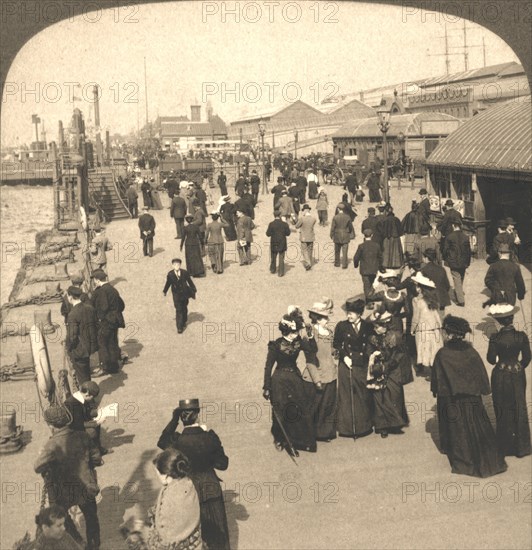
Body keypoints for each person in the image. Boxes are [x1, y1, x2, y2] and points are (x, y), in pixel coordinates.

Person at [431, 315, 508, 478]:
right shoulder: (471, 351)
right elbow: (481, 375)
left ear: (450, 334)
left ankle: (464, 461)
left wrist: (437, 393)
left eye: (445, 332)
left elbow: (439, 381)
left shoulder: (443, 353)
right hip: (473, 400)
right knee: (479, 429)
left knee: (459, 432)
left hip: (453, 401)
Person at [157, 399, 230, 550]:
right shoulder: (210, 437)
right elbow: (223, 464)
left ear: (181, 418)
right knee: (218, 535)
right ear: (197, 415)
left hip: (189, 492)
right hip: (211, 489)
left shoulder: (177, 440)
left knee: (195, 537)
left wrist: (173, 419)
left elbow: (162, 442)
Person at [35, 406, 101, 550]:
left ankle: (78, 542)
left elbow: (37, 467)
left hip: (63, 492)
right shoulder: (83, 436)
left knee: (63, 518)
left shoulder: (51, 445)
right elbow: (96, 458)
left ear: (50, 425)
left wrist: (43, 454)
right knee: (91, 518)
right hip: (86, 487)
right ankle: (94, 545)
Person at [263, 311, 319, 453]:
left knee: (299, 408)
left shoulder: (299, 342)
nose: (296, 334)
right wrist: (266, 386)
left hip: (294, 378)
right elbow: (268, 366)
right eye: (294, 332)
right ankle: (280, 438)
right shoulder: (275, 345)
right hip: (279, 380)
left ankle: (298, 440)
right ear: (287, 331)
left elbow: (313, 350)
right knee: (280, 410)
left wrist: (311, 336)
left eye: (297, 331)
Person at [487, 303, 531, 458]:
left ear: (499, 321)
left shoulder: (495, 338)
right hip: (517, 374)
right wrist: (518, 366)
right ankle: (522, 447)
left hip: (500, 374)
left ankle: (504, 446)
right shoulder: (521, 336)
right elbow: (527, 358)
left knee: (502, 407)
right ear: (512, 318)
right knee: (519, 406)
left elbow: (491, 359)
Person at [136, 450, 203, 550]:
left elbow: (165, 538)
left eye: (157, 473)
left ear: (165, 476)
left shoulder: (170, 497)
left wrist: (141, 532)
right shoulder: (188, 483)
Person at [365, 311, 411, 438]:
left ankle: (395, 423)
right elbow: (368, 351)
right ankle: (382, 426)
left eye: (377, 326)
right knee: (379, 397)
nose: (375, 329)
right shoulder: (372, 338)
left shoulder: (395, 337)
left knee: (394, 394)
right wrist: (373, 356)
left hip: (393, 370)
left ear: (385, 326)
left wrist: (389, 364)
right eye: (374, 327)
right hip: (377, 370)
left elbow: (401, 353)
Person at [333, 298, 374, 438]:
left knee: (362, 394)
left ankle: (364, 426)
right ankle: (347, 429)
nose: (348, 316)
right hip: (346, 364)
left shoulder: (368, 326)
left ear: (359, 314)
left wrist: (368, 358)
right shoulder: (341, 326)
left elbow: (370, 343)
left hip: (361, 364)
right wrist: (344, 356)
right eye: (348, 313)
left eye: (351, 313)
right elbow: (337, 344)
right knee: (346, 396)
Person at [308, 300, 337, 441]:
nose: (328, 320)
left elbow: (331, 350)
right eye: (325, 317)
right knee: (316, 405)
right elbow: (309, 357)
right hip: (318, 374)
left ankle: (325, 433)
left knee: (329, 404)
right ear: (317, 319)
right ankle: (311, 432)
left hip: (331, 373)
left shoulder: (329, 332)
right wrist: (316, 379)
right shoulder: (311, 333)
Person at [91, 270, 125, 375]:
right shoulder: (113, 289)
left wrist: (99, 319)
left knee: (103, 344)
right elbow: (122, 305)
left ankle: (104, 367)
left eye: (94, 280)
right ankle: (114, 366)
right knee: (113, 342)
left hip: (106, 321)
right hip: (115, 320)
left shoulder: (102, 291)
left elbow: (103, 307)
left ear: (97, 280)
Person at [410, 272, 443, 380]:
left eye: (416, 286)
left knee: (425, 350)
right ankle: (436, 371)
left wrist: (412, 329)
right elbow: (436, 314)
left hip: (423, 328)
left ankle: (429, 373)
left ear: (420, 288)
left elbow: (416, 317)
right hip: (435, 328)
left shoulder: (416, 300)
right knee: (434, 349)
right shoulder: (433, 298)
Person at [64, 380, 106, 458]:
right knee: (92, 431)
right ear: (87, 394)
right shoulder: (72, 403)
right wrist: (96, 422)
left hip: (79, 423)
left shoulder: (81, 398)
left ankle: (97, 449)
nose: (92, 400)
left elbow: (86, 412)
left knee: (96, 424)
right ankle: (91, 454)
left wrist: (98, 412)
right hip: (73, 429)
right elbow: (77, 424)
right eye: (92, 397)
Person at [66, 286, 99, 385]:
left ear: (70, 297)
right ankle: (90, 394)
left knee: (82, 377)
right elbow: (96, 326)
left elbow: (72, 336)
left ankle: (88, 398)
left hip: (79, 350)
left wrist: (69, 348)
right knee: (86, 373)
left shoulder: (72, 314)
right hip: (90, 347)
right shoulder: (90, 308)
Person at [163, 258, 197, 334]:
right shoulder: (170, 274)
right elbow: (168, 283)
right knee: (178, 309)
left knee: (184, 307)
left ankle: (184, 320)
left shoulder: (185, 273)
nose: (176, 266)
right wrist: (165, 291)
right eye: (175, 264)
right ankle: (179, 327)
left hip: (185, 293)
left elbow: (190, 281)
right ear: (172, 265)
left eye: (178, 264)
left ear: (180, 265)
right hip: (176, 294)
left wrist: (194, 289)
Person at [443, 222, 471, 307]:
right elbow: (468, 251)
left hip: (453, 261)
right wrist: (468, 262)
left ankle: (461, 300)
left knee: (456, 278)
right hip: (463, 261)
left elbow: (445, 250)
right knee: (460, 277)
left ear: (453, 226)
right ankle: (459, 293)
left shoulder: (449, 237)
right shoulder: (465, 237)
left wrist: (446, 259)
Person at [353, 229, 382, 303]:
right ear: (372, 235)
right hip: (374, 269)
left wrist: (356, 265)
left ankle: (369, 301)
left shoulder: (361, 246)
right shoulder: (376, 245)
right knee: (372, 284)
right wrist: (381, 267)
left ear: (364, 236)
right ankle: (371, 298)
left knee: (366, 285)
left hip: (364, 269)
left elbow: (356, 257)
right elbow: (381, 257)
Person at [420, 248, 451, 314]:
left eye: (423, 257)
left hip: (431, 299)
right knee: (441, 317)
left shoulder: (424, 270)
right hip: (442, 298)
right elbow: (447, 285)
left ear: (426, 258)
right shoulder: (441, 269)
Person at [266, 210, 291, 277]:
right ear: (280, 215)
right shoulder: (284, 224)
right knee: (281, 257)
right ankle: (280, 272)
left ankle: (273, 269)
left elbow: (268, 234)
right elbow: (288, 233)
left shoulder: (271, 224)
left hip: (274, 241)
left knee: (273, 256)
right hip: (282, 242)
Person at [330, 203, 355, 269]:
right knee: (345, 250)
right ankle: (344, 264)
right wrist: (350, 233)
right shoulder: (347, 217)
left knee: (337, 250)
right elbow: (350, 226)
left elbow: (333, 227)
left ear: (338, 209)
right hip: (345, 234)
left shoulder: (335, 217)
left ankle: (337, 263)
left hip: (337, 234)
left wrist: (331, 234)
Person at [380, 205, 404, 269]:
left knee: (387, 251)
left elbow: (382, 231)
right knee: (396, 251)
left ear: (386, 212)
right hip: (396, 238)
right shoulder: (396, 219)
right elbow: (400, 230)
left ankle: (386, 264)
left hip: (387, 239)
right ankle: (396, 263)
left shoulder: (385, 220)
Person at [295, 204, 316, 271]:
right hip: (311, 236)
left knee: (304, 250)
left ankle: (308, 263)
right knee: (310, 249)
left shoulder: (302, 219)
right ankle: (309, 262)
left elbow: (297, 226)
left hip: (303, 236)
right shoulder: (313, 219)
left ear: (304, 211)